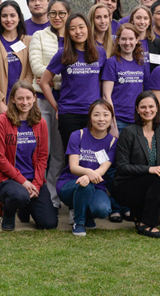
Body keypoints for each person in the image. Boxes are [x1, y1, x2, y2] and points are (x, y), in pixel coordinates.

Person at [39, 13, 106, 163]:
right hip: (69, 114)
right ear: (68, 32)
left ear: (88, 29)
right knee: (72, 159)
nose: (78, 32)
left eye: (81, 27)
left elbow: (102, 83)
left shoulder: (100, 53)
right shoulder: (63, 54)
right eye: (73, 28)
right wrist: (57, 108)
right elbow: (44, 82)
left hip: (94, 114)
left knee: (93, 157)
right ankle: (70, 186)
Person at [0, 81, 57, 231]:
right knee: (19, 195)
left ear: (34, 98)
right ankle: (8, 213)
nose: (25, 102)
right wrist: (23, 182)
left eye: (28, 98)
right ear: (13, 99)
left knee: (49, 224)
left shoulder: (40, 123)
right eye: (20, 98)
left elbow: (42, 157)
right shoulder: (1, 121)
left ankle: (25, 208)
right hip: (7, 180)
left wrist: (37, 184)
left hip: (33, 180)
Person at [111, 91, 160, 238]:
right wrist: (150, 169)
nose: (147, 110)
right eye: (143, 107)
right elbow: (122, 166)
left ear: (157, 108)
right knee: (158, 174)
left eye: (151, 106)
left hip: (151, 184)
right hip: (126, 186)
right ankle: (147, 224)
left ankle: (138, 216)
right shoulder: (128, 132)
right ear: (137, 109)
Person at [28, 0, 70, 208]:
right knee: (41, 149)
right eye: (53, 13)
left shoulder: (75, 36)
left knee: (59, 152)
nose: (57, 17)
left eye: (61, 13)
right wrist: (57, 78)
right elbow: (36, 67)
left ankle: (53, 198)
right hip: (43, 101)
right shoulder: (39, 36)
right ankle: (38, 194)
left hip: (67, 101)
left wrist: (52, 77)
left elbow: (76, 72)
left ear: (68, 15)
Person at [57, 100, 117, 236]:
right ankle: (79, 222)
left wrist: (89, 177)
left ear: (111, 118)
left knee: (103, 210)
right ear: (90, 117)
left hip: (96, 185)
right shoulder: (78, 135)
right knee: (85, 186)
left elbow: (103, 169)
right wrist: (88, 172)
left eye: (106, 115)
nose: (101, 119)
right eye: (96, 115)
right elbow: (73, 167)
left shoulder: (113, 142)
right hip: (70, 183)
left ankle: (86, 214)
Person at [0, 0, 33, 141]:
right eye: (4, 16)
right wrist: (1, 104)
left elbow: (30, 73)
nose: (8, 20)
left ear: (19, 17)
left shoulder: (28, 41)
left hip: (23, 106)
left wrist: (21, 99)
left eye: (12, 15)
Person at [101, 24, 151, 132]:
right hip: (119, 120)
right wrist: (112, 123)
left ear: (137, 40)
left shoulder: (142, 63)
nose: (127, 43)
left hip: (138, 120)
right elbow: (106, 96)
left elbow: (147, 93)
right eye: (123, 39)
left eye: (131, 39)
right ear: (118, 40)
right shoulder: (112, 63)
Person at [127, 4, 160, 69]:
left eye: (145, 18)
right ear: (132, 20)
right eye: (138, 18)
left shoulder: (156, 42)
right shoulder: (126, 42)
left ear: (149, 22)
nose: (142, 22)